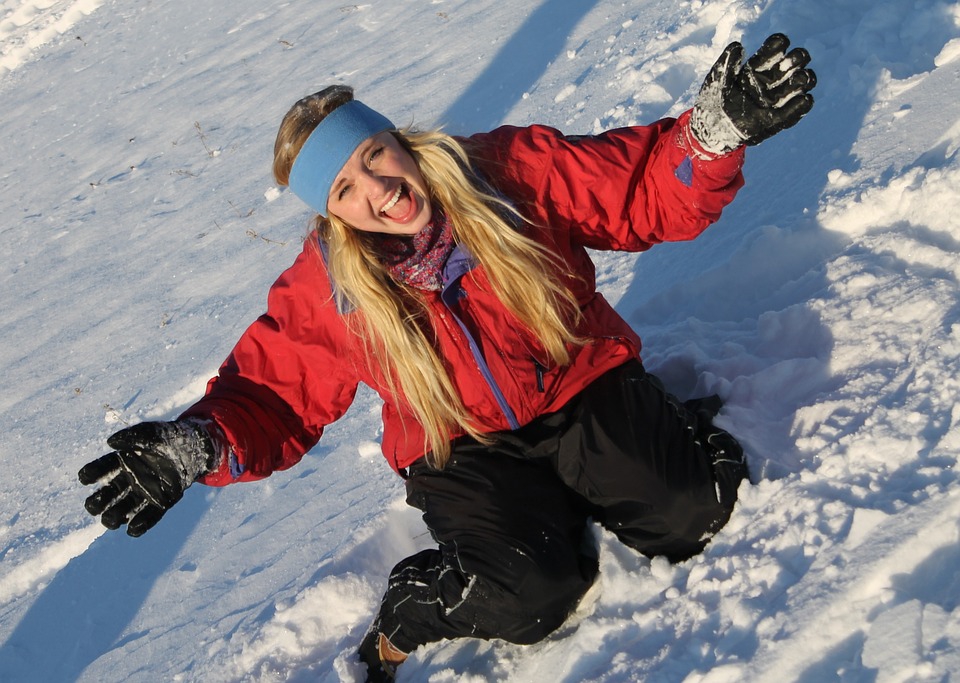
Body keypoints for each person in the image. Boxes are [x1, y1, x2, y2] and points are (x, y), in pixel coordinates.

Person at [79, 33, 816, 681]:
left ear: (396, 139)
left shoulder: (506, 170)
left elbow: (636, 191)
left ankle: (650, 445)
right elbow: (276, 391)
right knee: (534, 593)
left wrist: (710, 139)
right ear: (331, 211)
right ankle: (409, 611)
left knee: (689, 515)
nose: (380, 189)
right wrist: (196, 443)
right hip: (458, 445)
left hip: (577, 380)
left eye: (375, 155)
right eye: (347, 187)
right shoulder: (332, 287)